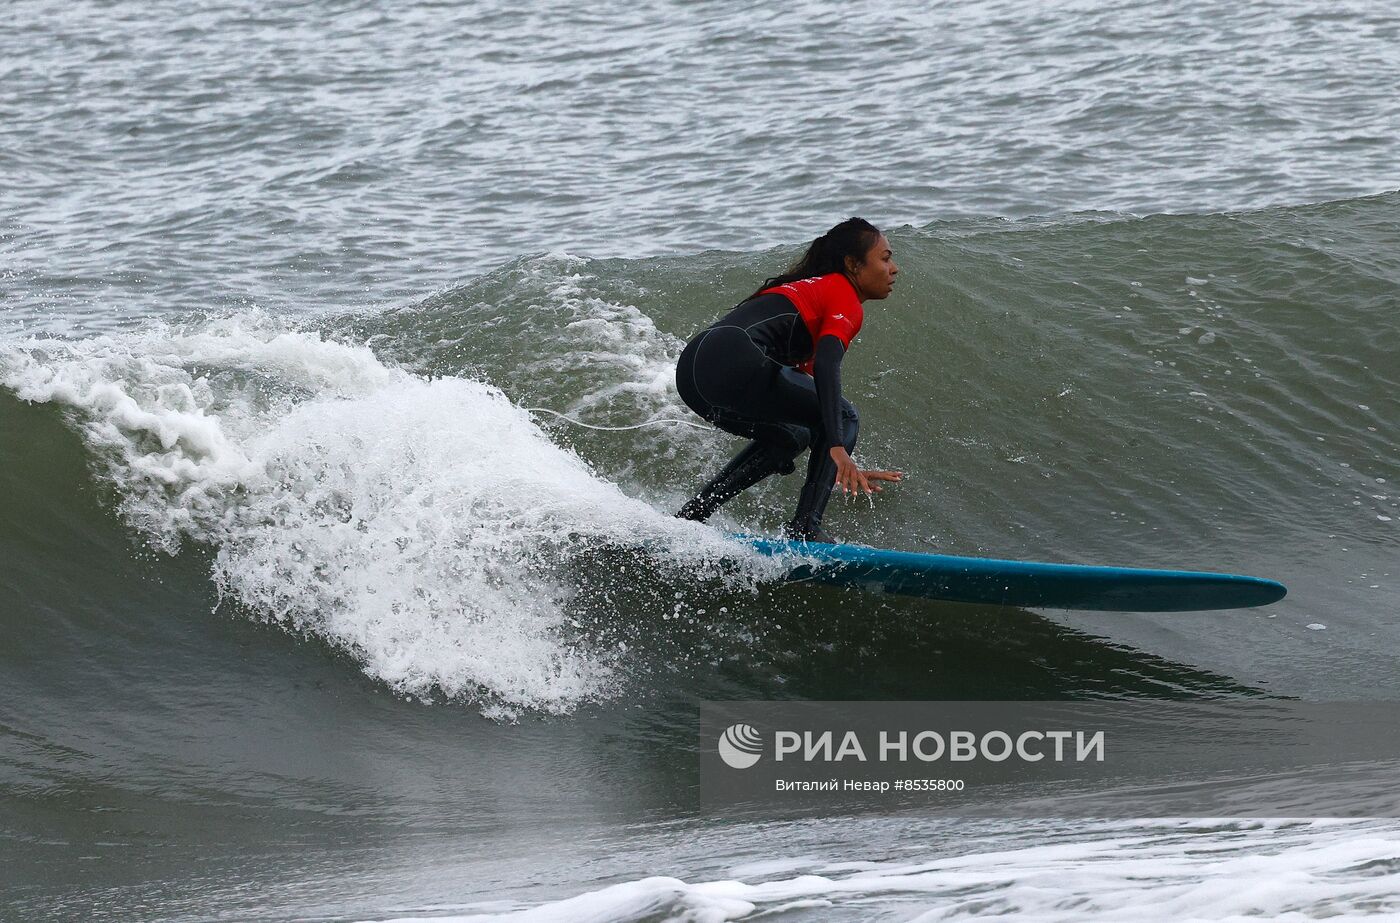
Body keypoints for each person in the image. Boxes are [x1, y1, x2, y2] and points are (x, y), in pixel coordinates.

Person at [675, 217, 903, 541]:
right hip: (737, 358)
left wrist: (835, 462)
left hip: (695, 372)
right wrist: (837, 446)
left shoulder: (809, 295)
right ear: (853, 264)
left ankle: (694, 514)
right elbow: (827, 364)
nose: (893, 268)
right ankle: (805, 527)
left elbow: (808, 405)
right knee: (844, 415)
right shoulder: (842, 292)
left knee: (792, 436)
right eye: (885, 258)